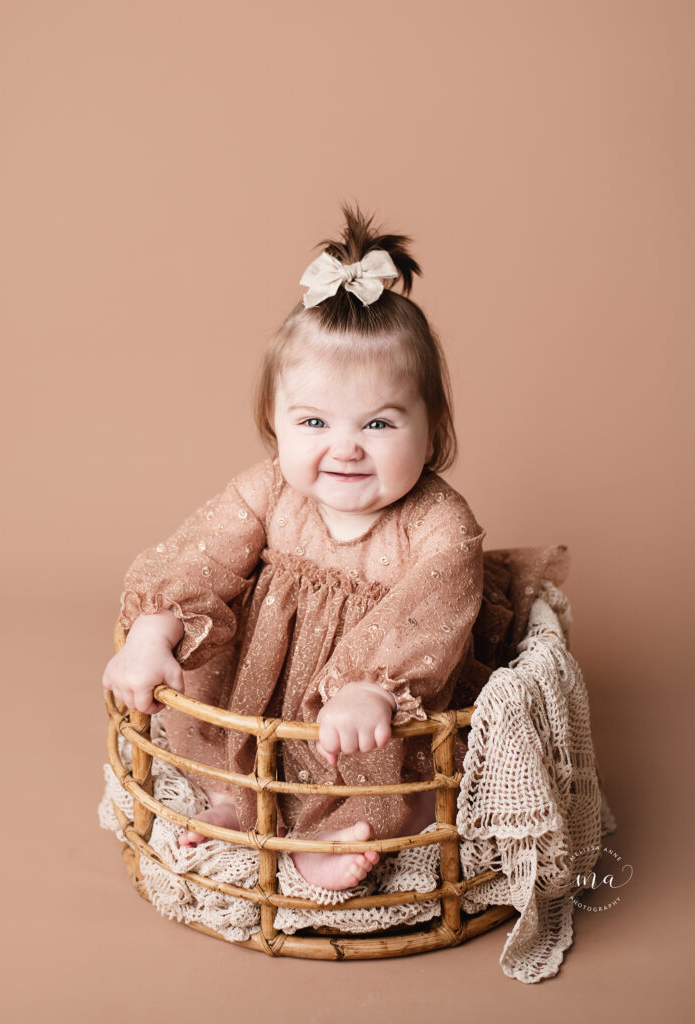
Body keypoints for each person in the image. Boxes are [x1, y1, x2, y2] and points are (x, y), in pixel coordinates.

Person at [102, 202, 568, 892]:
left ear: (431, 428)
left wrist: (373, 689)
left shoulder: (439, 521)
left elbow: (433, 611)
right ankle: (235, 798)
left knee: (399, 766)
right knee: (221, 730)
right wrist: (153, 628)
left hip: (367, 702)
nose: (344, 447)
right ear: (275, 423)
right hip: (264, 688)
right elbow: (197, 558)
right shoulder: (264, 491)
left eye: (379, 423)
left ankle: (340, 830)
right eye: (314, 420)